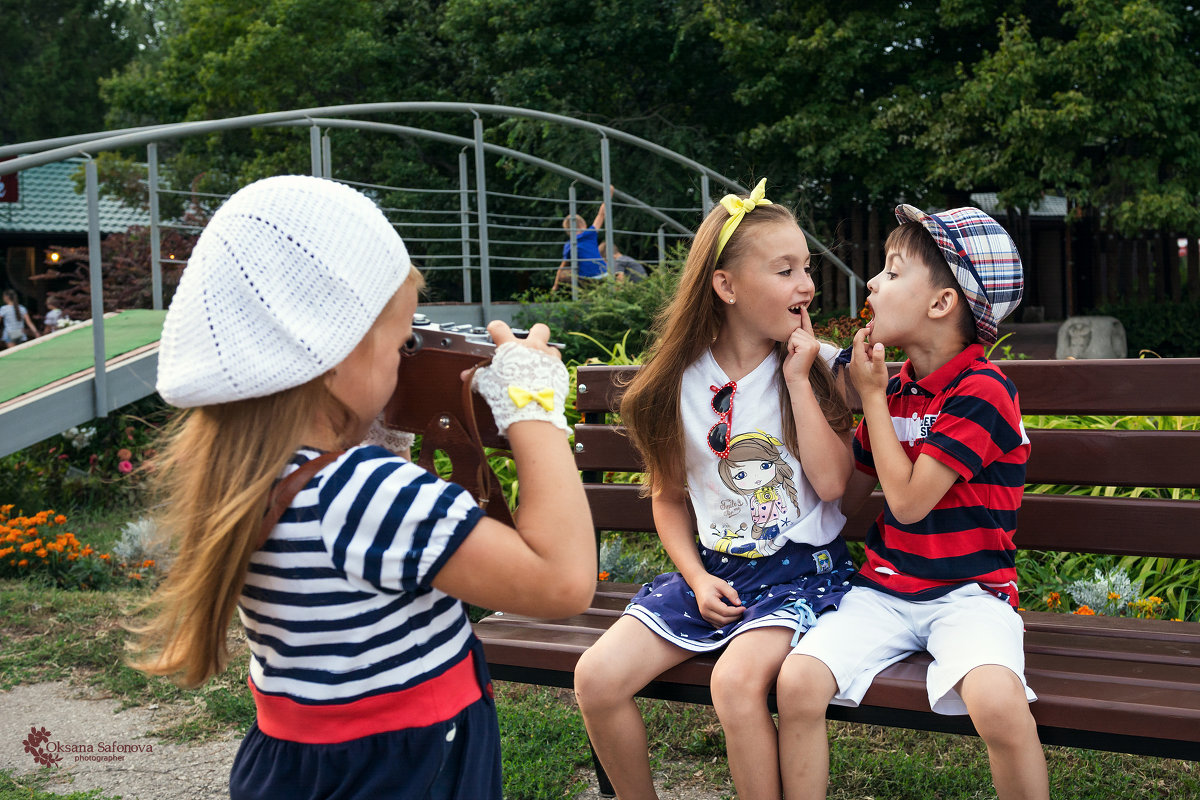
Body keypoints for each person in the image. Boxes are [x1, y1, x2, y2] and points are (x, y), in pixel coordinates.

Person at [127, 175, 597, 800]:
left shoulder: (249, 477)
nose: (406, 360)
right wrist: (533, 404)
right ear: (333, 353)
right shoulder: (361, 491)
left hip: (296, 762)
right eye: (403, 343)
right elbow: (561, 581)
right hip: (410, 769)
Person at [574, 179, 857, 800]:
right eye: (785, 270)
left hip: (801, 574)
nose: (806, 285)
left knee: (734, 683)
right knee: (596, 677)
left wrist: (802, 377)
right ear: (726, 287)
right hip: (717, 577)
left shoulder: (818, 365)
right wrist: (697, 579)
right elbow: (670, 500)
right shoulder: (678, 384)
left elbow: (835, 483)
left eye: (806, 268)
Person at [777, 205, 1048, 800]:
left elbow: (907, 505)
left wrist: (871, 398)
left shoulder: (984, 392)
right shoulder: (896, 391)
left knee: (998, 705)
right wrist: (822, 386)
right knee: (797, 683)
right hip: (885, 591)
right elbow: (845, 498)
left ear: (941, 304)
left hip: (971, 595)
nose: (872, 283)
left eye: (892, 272)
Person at [551, 198, 608, 291]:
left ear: (568, 232)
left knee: (565, 274)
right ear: (584, 225)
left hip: (587, 280)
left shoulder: (569, 245)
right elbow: (601, 215)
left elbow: (563, 266)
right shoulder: (590, 234)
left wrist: (555, 285)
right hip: (604, 275)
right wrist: (608, 195)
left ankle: (577, 296)